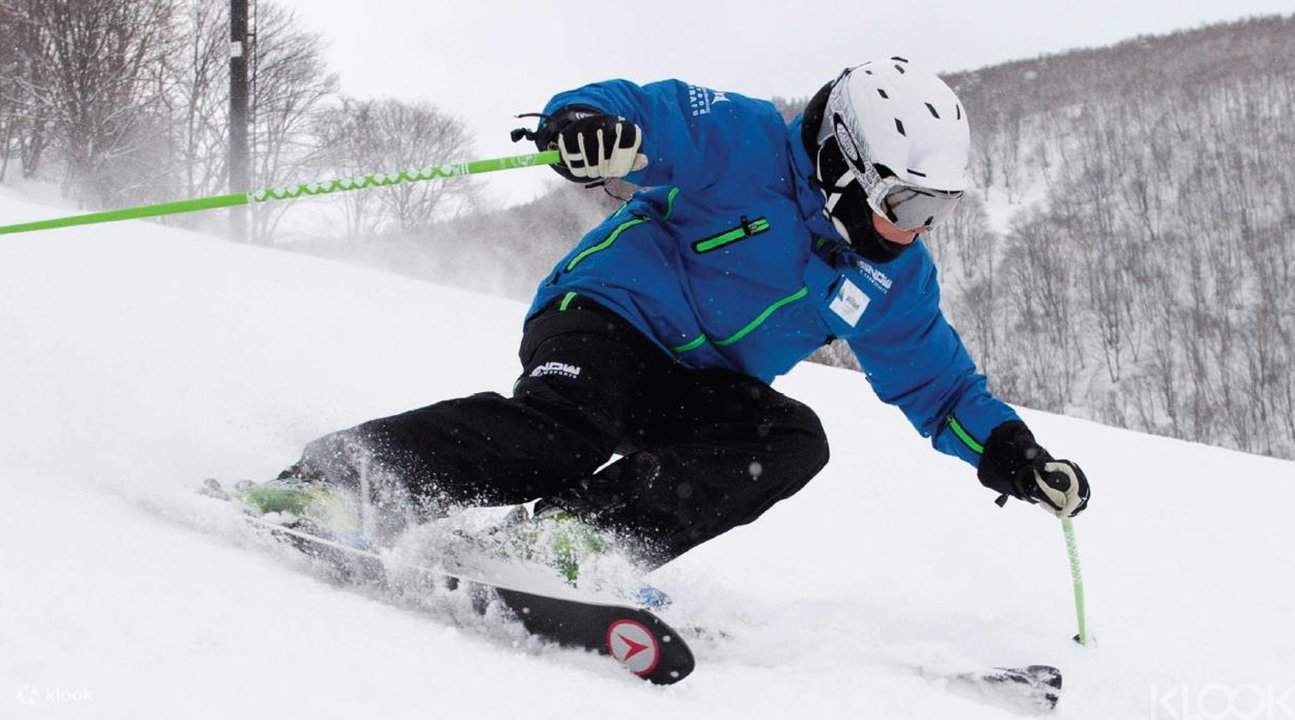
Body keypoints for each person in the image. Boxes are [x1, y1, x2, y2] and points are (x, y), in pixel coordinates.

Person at [249, 58, 1090, 576]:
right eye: (903, 199)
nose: (914, 225)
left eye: (933, 205)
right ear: (843, 162)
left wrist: (1015, 458)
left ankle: (569, 546)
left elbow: (938, 387)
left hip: (694, 382)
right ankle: (339, 485)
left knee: (791, 439)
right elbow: (643, 108)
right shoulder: (747, 142)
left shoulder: (891, 276)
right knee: (564, 433)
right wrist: (591, 126)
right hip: (603, 317)